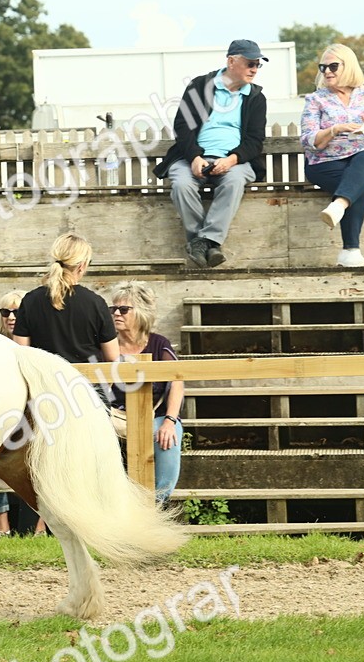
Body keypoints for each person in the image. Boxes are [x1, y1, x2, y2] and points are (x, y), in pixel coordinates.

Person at [154, 39, 269, 268]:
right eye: (250, 63)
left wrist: (231, 160)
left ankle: (204, 241)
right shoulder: (200, 86)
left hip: (233, 161)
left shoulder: (256, 98)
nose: (254, 69)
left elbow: (255, 141)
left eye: (258, 65)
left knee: (235, 181)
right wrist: (194, 157)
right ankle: (208, 244)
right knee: (181, 185)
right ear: (231, 61)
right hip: (191, 158)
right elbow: (183, 127)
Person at [299, 44, 364, 268]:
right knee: (356, 182)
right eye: (323, 67)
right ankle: (350, 251)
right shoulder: (315, 99)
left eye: (333, 66)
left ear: (348, 65)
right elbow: (308, 139)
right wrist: (335, 129)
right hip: (326, 163)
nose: (327, 71)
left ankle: (339, 205)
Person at [107, 282, 184, 504]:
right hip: (116, 417)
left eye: (123, 309)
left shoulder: (159, 343)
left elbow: (177, 380)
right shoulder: (108, 345)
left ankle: (155, 505)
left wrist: (170, 420)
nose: (116, 314)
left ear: (141, 312)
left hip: (154, 416)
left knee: (168, 436)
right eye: (113, 309)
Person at [0, 290, 46, 538]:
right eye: (5, 312)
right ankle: (1, 528)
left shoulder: (36, 346)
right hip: (0, 416)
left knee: (41, 459)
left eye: (16, 312)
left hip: (31, 415)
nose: (10, 317)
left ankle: (39, 527)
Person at [12, 233, 119, 369]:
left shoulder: (30, 301)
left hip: (44, 386)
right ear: (82, 265)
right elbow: (113, 357)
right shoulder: (96, 303)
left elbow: (21, 353)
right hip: (86, 386)